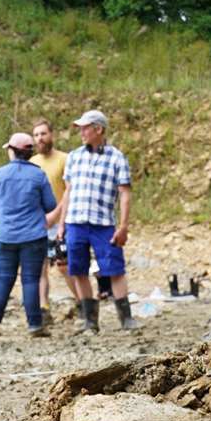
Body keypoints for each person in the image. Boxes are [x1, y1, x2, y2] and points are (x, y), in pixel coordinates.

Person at [50, 109, 134, 333]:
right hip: (76, 221)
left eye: (85, 128)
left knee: (114, 269)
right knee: (77, 270)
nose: (82, 133)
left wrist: (124, 226)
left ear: (99, 129)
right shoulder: (74, 157)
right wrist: (61, 224)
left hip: (103, 223)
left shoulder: (117, 158)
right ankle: (90, 320)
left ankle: (126, 318)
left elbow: (124, 193)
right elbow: (68, 191)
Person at [0, 132, 55, 337]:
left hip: (5, 235)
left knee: (4, 279)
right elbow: (50, 205)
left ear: (13, 151)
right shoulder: (38, 175)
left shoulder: (0, 174)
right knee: (31, 280)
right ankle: (34, 325)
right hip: (33, 236)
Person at [29, 119, 68, 317]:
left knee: (65, 266)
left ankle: (82, 302)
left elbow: (70, 191)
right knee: (40, 267)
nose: (40, 138)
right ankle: (44, 309)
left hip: (62, 220)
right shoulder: (32, 163)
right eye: (36, 135)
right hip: (39, 222)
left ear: (51, 135)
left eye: (43, 134)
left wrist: (56, 214)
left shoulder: (64, 159)